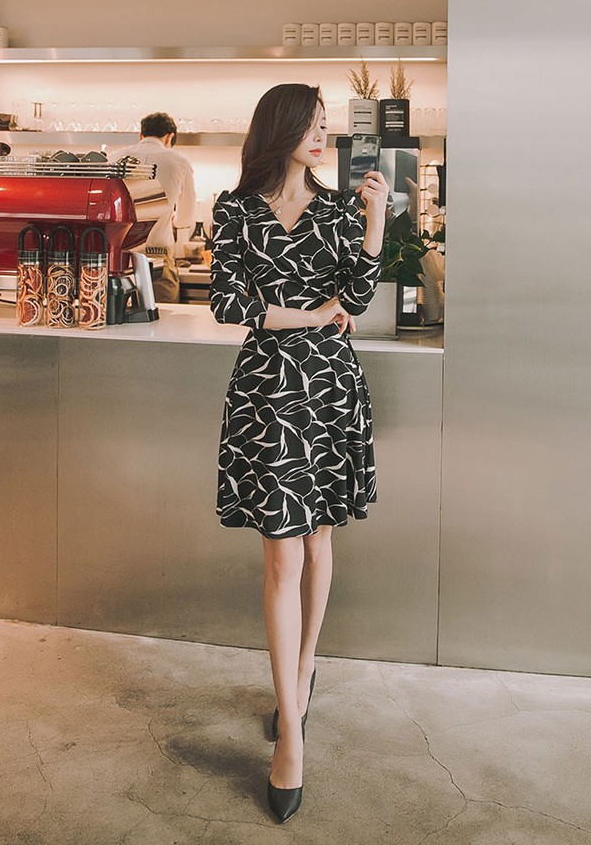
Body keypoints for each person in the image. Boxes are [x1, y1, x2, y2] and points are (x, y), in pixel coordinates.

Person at [209, 84, 388, 823]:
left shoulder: (343, 209)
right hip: (267, 392)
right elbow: (227, 303)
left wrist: (376, 223)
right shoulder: (234, 210)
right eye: (312, 125)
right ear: (280, 129)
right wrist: (311, 315)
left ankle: (304, 669)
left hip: (329, 390)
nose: (324, 137)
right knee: (282, 556)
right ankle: (290, 728)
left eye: (326, 126)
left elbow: (359, 299)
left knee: (317, 541)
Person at [107, 112, 196, 303]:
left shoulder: (114, 158)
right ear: (169, 137)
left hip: (118, 257)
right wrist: (175, 219)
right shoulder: (179, 162)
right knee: (162, 315)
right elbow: (186, 217)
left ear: (141, 135)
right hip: (158, 254)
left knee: (117, 315)